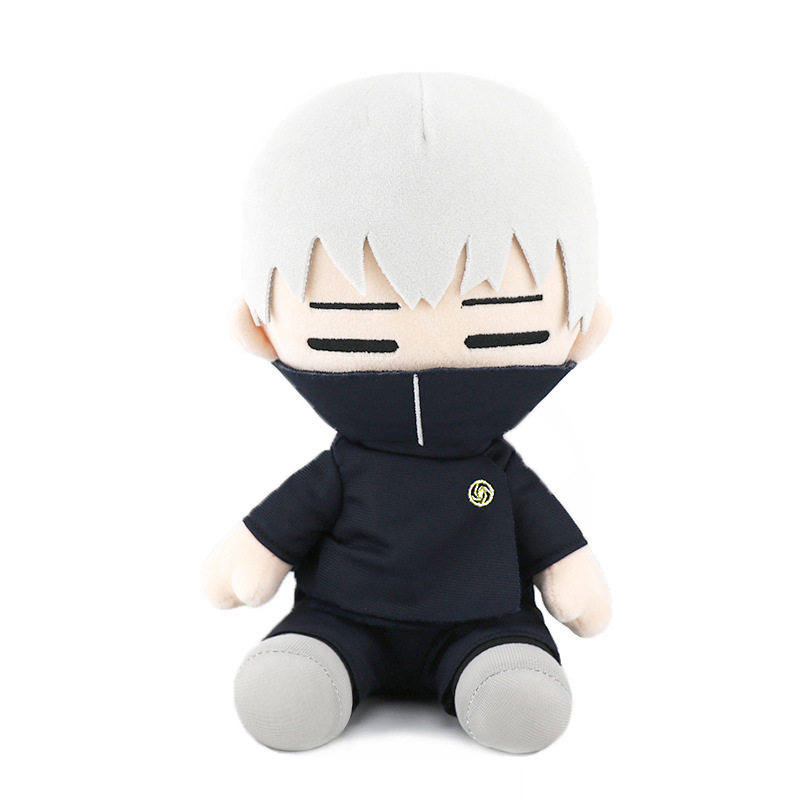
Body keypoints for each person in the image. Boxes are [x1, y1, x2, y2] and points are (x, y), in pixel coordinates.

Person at [204, 73, 612, 754]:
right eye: (352, 320)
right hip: (342, 620)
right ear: (259, 329)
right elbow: (274, 534)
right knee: (292, 685)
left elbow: (555, 549)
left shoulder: (499, 474)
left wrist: (572, 578)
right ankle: (316, 670)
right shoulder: (341, 472)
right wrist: (249, 560)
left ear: (583, 328)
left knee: (515, 687)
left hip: (485, 624)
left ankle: (497, 678)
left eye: (496, 317)